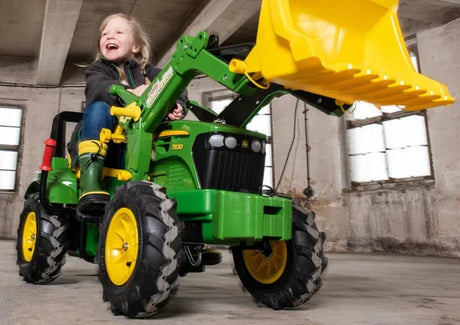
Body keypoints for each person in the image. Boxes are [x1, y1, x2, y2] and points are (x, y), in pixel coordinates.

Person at [78, 13, 187, 215]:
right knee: (99, 107)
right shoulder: (98, 70)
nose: (110, 36)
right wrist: (129, 92)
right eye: (105, 34)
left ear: (136, 47)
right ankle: (90, 179)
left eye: (119, 32)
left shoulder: (149, 74)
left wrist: (177, 105)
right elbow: (99, 87)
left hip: (137, 145)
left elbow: (173, 84)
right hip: (106, 143)